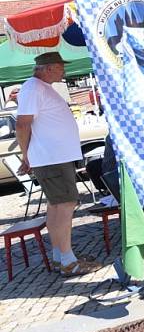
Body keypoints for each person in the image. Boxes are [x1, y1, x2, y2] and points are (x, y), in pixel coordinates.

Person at [15, 52, 102, 276]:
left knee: (57, 206)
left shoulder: (39, 88)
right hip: (52, 158)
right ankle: (68, 261)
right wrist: (27, 157)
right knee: (65, 206)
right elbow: (23, 125)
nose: (64, 71)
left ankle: (60, 256)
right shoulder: (33, 88)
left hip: (53, 157)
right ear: (47, 68)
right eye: (60, 67)